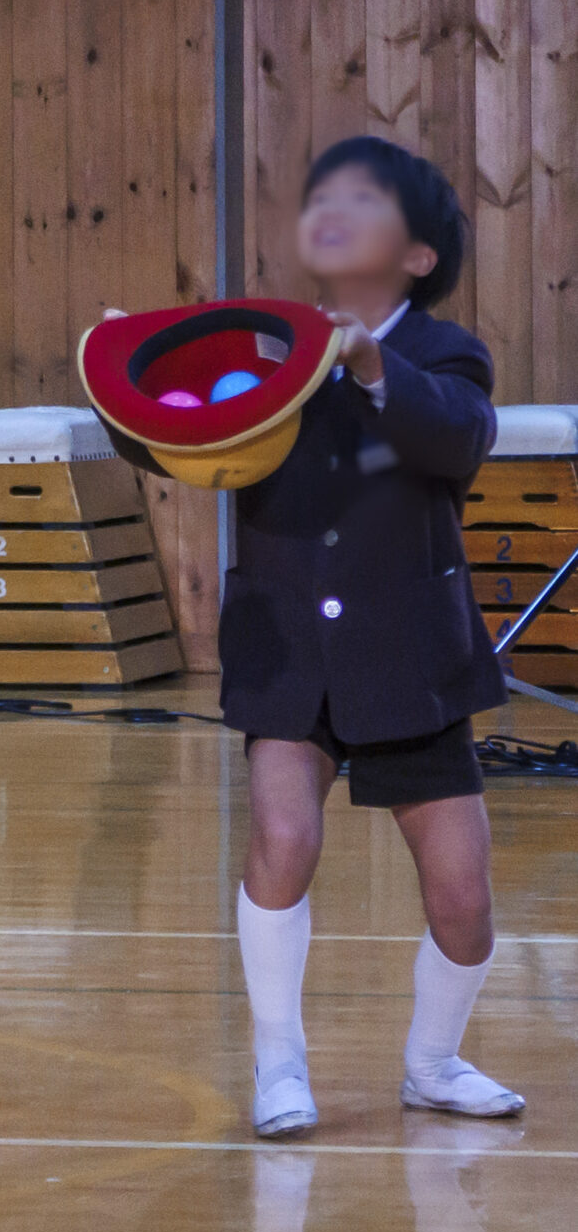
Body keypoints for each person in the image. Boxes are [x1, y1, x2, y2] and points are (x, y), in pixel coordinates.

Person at [221, 137, 519, 1137]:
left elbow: (457, 436)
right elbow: (179, 432)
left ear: (421, 255)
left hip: (409, 659)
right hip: (290, 650)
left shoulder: (446, 353)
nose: (337, 209)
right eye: (327, 196)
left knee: (464, 902)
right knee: (283, 836)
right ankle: (278, 1066)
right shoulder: (262, 345)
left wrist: (368, 361)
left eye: (370, 199)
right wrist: (134, 367)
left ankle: (432, 1063)